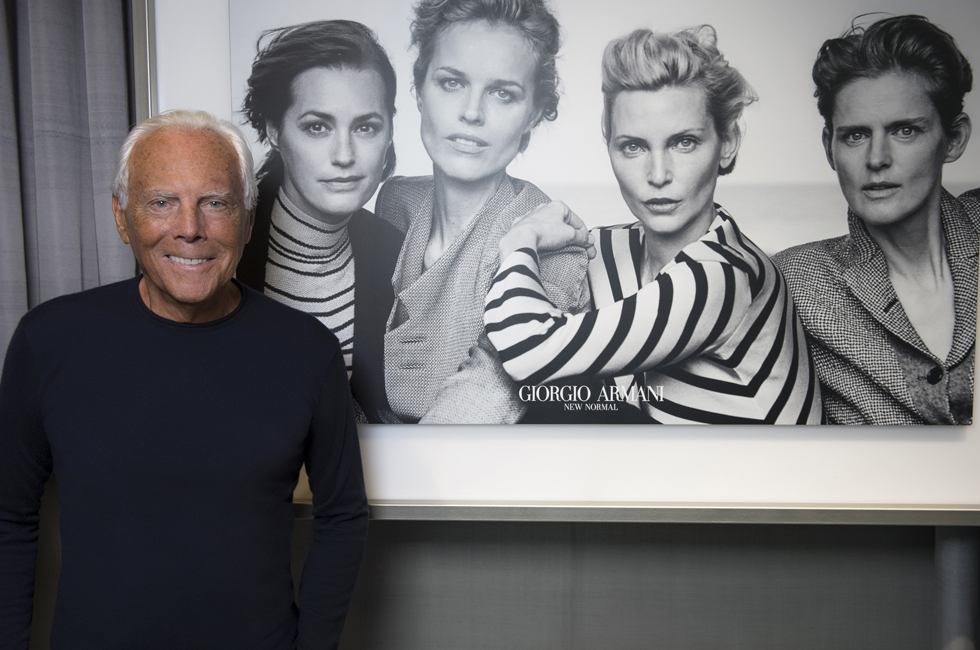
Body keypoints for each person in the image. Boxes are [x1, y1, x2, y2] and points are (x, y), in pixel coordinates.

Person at [0, 110, 368, 648]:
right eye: (161, 203)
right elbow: (8, 517)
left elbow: (343, 515)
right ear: (122, 217)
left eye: (215, 203)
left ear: (247, 219)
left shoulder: (307, 350)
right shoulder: (48, 340)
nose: (190, 228)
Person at [483, 26, 822, 425]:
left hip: (758, 466)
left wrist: (521, 239)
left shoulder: (724, 276)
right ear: (609, 146)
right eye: (634, 147)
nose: (658, 175)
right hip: (659, 460)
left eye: (684, 143)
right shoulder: (603, 250)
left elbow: (529, 353)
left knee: (566, 403)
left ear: (727, 143)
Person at [375, 0, 589, 424]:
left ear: (534, 113)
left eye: (502, 93)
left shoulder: (553, 245)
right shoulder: (394, 202)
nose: (471, 113)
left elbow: (481, 403)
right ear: (419, 90)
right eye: (452, 83)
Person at [773, 15, 977, 425]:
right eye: (856, 135)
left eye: (905, 131)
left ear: (953, 139)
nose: (877, 158)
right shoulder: (794, 284)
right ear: (829, 147)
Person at [238, 20, 404, 423]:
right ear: (273, 129)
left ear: (389, 131)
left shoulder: (399, 256)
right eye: (317, 127)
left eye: (365, 127)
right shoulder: (219, 249)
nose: (344, 155)